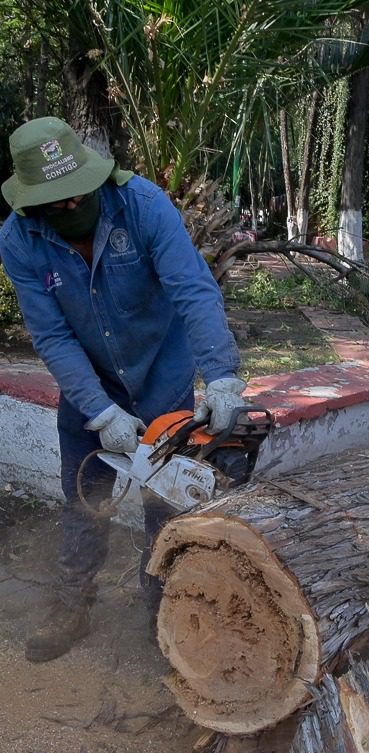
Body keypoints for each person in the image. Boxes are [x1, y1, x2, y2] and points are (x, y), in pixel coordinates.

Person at [0, 117, 246, 662]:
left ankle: (162, 609)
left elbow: (194, 291)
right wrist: (100, 411)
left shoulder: (143, 206)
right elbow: (52, 335)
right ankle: (73, 604)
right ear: (32, 202)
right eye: (55, 203)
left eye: (77, 198)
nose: (69, 209)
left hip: (163, 376)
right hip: (90, 385)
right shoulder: (18, 239)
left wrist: (223, 377)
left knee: (168, 502)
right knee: (84, 498)